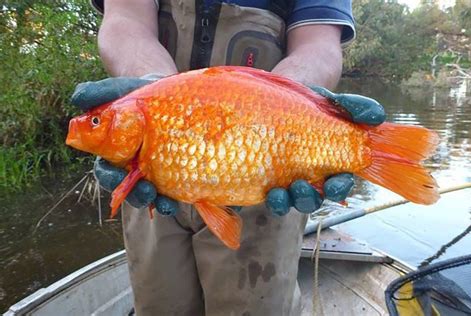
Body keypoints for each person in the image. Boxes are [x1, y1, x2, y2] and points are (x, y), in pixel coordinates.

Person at [71, 1, 384, 315]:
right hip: (152, 193)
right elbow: (126, 19)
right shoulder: (143, 119)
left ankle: (370, 151)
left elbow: (319, 45)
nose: (87, 127)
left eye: (98, 122)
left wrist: (291, 104)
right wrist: (152, 84)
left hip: (265, 174)